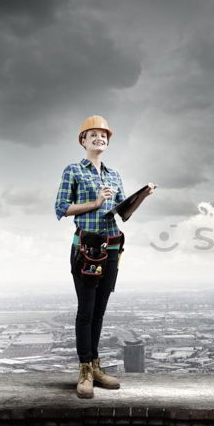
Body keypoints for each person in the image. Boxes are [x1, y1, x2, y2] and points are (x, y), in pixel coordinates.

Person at [54, 115, 155, 399]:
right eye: (93, 134)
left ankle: (96, 366)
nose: (100, 138)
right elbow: (61, 208)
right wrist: (96, 203)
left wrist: (142, 197)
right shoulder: (73, 170)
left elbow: (124, 214)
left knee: (99, 310)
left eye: (104, 135)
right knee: (86, 310)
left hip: (111, 247)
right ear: (83, 140)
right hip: (87, 247)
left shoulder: (114, 175)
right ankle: (84, 369)